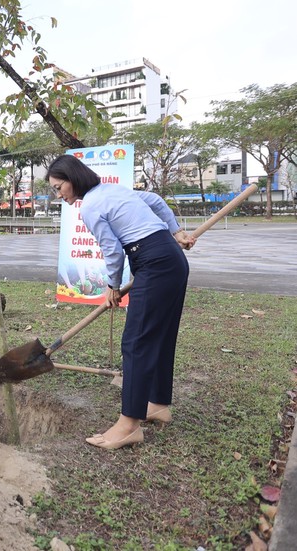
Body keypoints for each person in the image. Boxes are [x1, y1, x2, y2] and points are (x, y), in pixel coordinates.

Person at [46, 154, 195, 450]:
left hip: (153, 260)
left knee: (136, 342)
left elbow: (112, 250)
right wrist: (175, 230)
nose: (58, 194)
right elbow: (153, 199)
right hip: (170, 257)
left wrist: (112, 286)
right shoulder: (113, 190)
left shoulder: (89, 205)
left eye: (57, 187)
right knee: (161, 335)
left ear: (72, 180)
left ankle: (129, 425)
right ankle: (158, 404)